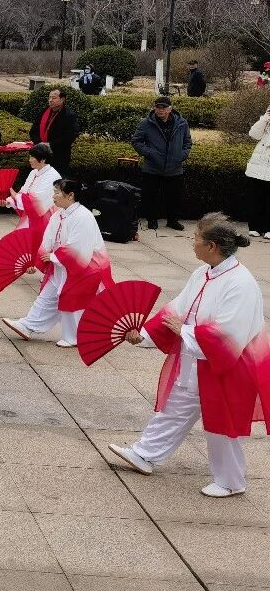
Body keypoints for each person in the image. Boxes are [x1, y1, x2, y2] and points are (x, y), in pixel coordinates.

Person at [110, 214, 269, 497]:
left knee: (222, 425)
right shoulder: (203, 273)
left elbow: (230, 332)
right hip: (196, 359)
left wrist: (184, 331)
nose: (192, 243)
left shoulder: (240, 283)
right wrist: (144, 334)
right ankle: (145, 454)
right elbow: (177, 309)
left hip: (228, 365)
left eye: (196, 238)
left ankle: (231, 482)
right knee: (175, 407)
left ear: (212, 246)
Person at [3, 179, 110, 347]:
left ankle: (73, 337)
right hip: (62, 265)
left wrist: (54, 257)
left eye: (57, 192)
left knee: (71, 300)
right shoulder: (58, 215)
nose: (53, 196)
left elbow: (79, 248)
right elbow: (48, 241)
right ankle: (28, 325)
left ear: (70, 195)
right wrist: (37, 262)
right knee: (47, 296)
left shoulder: (83, 216)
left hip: (84, 268)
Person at [131, 96, 192, 232]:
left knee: (174, 196)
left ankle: (173, 220)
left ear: (170, 109)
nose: (160, 110)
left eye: (163, 107)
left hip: (175, 167)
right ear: (154, 108)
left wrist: (181, 155)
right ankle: (152, 220)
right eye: (157, 107)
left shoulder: (182, 123)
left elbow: (187, 142)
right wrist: (150, 153)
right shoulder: (145, 123)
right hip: (152, 167)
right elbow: (136, 141)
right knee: (151, 196)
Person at [29, 88, 80, 176]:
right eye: (49, 97)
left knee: (56, 181)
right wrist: (40, 144)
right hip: (41, 154)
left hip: (59, 156)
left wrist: (50, 144)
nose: (50, 100)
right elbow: (33, 131)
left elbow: (70, 136)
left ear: (62, 99)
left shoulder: (69, 115)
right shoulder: (44, 112)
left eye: (54, 98)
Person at [10, 143, 62, 228]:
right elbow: (24, 191)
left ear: (42, 160)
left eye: (32, 157)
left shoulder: (53, 176)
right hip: (35, 216)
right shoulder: (33, 172)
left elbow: (38, 199)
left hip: (48, 217)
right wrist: (9, 201)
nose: (29, 160)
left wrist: (15, 197)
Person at [245, 105, 270, 238]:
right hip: (258, 166)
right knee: (256, 198)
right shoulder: (266, 121)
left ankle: (268, 229)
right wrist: (265, 118)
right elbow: (253, 134)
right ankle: (254, 227)